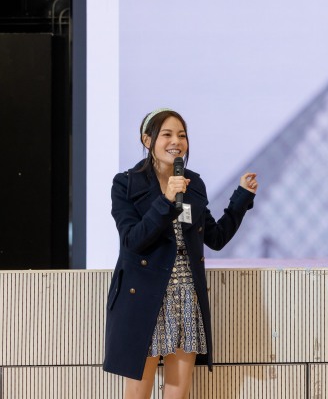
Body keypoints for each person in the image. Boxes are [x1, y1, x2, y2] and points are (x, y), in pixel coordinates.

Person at [103, 108, 257, 398]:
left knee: (179, 390)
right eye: (167, 134)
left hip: (186, 295)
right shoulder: (126, 183)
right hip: (144, 297)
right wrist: (166, 200)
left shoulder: (193, 183)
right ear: (147, 140)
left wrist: (241, 197)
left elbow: (216, 238)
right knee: (138, 390)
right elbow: (133, 240)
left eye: (182, 135)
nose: (176, 141)